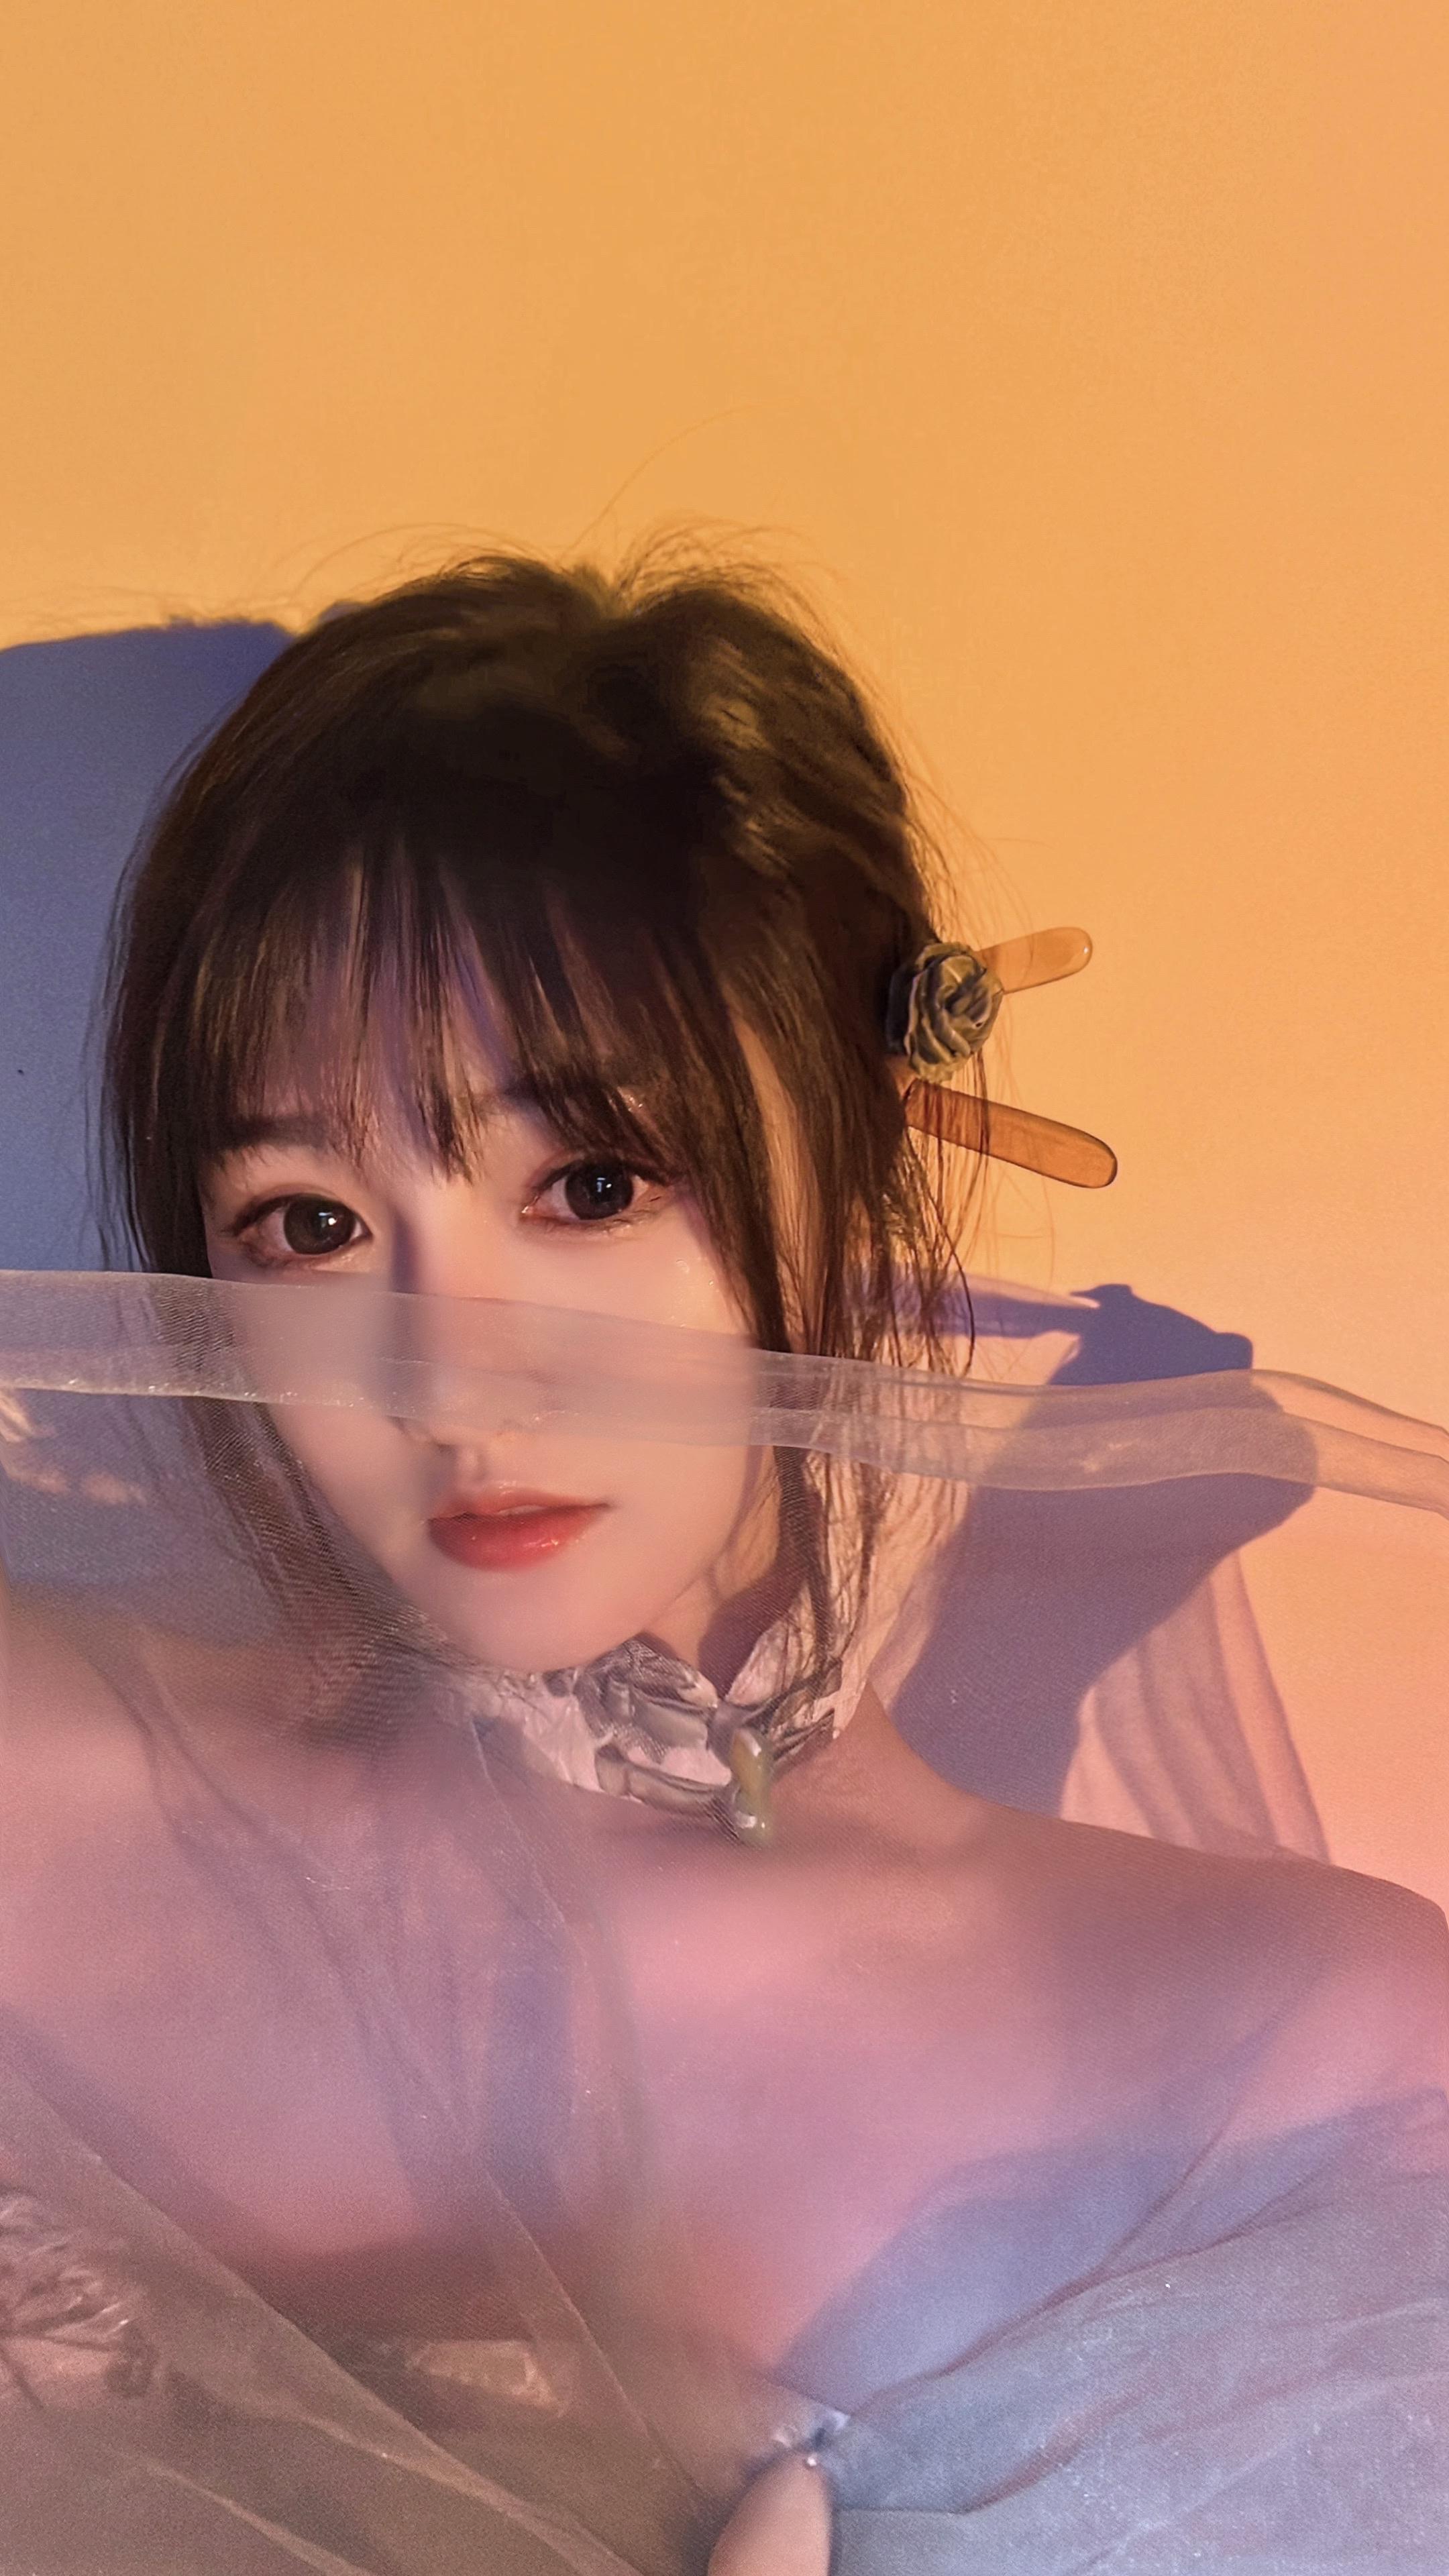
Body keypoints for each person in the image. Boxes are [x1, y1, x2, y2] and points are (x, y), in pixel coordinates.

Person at [1, 545, 1446, 2572]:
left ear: (862, 1143)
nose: (451, 1379)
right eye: (309, 1226)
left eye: (591, 1184)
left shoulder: (1306, 2053)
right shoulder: (37, 1784)